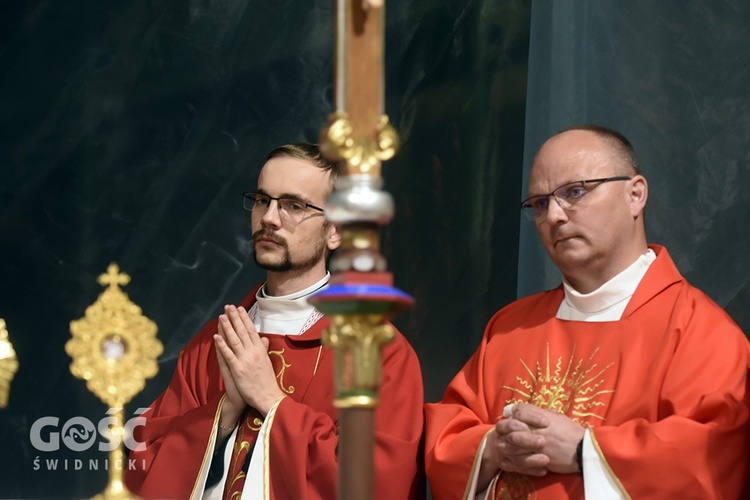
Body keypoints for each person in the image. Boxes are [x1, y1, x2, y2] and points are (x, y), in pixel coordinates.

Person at [424, 125, 750, 499]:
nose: (555, 217)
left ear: (635, 195)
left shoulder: (700, 331)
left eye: (574, 192)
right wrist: (494, 448)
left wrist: (585, 451)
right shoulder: (509, 328)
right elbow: (447, 437)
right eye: (541, 203)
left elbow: (711, 459)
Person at [124, 143, 425, 499]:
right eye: (263, 200)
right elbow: (142, 464)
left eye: (293, 206)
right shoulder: (216, 342)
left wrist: (271, 400)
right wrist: (223, 415)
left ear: (336, 232)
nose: (268, 217)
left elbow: (376, 484)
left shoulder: (378, 352)